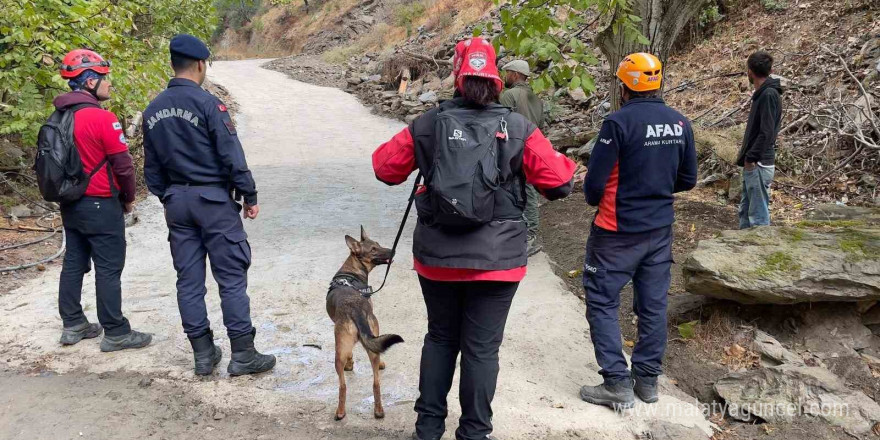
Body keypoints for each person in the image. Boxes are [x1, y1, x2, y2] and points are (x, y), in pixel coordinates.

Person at [372, 37, 576, 440]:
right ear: (496, 78)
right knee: (482, 349)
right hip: (499, 263)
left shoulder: (429, 123)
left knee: (441, 338)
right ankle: (474, 433)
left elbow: (385, 168)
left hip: (437, 260)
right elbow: (560, 183)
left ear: (457, 76)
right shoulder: (518, 127)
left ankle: (428, 429)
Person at [142, 34, 275, 377]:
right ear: (200, 64)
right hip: (213, 201)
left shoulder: (153, 109)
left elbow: (152, 169)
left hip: (177, 203)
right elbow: (232, 154)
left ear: (173, 64)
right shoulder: (208, 104)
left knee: (188, 281)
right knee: (231, 279)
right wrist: (250, 195)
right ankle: (243, 354)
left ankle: (203, 354)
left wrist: (170, 197)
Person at [579, 53, 697, 410]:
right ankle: (647, 381)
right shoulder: (679, 123)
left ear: (624, 85)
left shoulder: (617, 124)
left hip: (616, 231)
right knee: (653, 304)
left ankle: (616, 382)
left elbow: (593, 188)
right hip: (659, 230)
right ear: (657, 83)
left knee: (601, 300)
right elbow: (687, 179)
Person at [54, 49, 152, 352]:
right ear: (89, 81)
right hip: (100, 202)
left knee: (73, 261)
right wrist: (128, 199)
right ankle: (116, 332)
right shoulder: (102, 118)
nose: (108, 83)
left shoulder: (58, 117)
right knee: (108, 267)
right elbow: (123, 166)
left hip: (71, 203)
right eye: (104, 78)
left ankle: (73, 324)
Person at [500, 59, 546, 256]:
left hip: (514, 148)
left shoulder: (509, 95)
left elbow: (500, 123)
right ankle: (530, 233)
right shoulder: (535, 98)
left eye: (507, 73)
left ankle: (526, 236)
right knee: (528, 189)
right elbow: (542, 125)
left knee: (516, 189)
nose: (505, 77)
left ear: (516, 75)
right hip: (533, 147)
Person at [736, 51, 782, 229]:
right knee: (746, 211)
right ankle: (744, 251)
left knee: (758, 217)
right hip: (755, 163)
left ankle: (762, 253)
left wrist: (751, 158)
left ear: (749, 72)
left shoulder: (769, 94)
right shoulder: (762, 93)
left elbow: (767, 132)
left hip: (759, 164)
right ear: (770, 70)